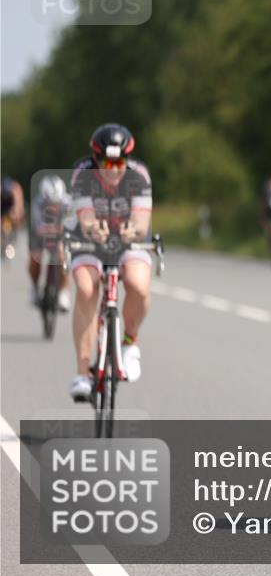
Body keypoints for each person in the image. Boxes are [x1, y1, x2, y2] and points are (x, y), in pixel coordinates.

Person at [67, 124, 153, 402]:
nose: (114, 169)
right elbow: (86, 218)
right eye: (107, 162)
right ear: (95, 160)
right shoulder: (83, 174)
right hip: (89, 237)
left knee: (138, 285)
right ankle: (82, 373)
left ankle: (129, 342)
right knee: (87, 288)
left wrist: (134, 231)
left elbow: (141, 221)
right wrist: (94, 229)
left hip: (127, 238)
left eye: (119, 162)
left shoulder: (138, 176)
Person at [27, 174, 72, 311]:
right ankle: (34, 287)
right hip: (41, 235)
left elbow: (71, 225)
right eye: (49, 203)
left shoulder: (68, 203)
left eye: (56, 203)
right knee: (35, 257)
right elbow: (38, 228)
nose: (53, 206)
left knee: (64, 257)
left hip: (61, 235)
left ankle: (64, 292)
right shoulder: (37, 203)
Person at [1, 176, 25, 259]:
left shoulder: (15, 188)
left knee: (16, 217)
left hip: (11, 203)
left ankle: (13, 235)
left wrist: (17, 215)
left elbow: (19, 205)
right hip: (3, 205)